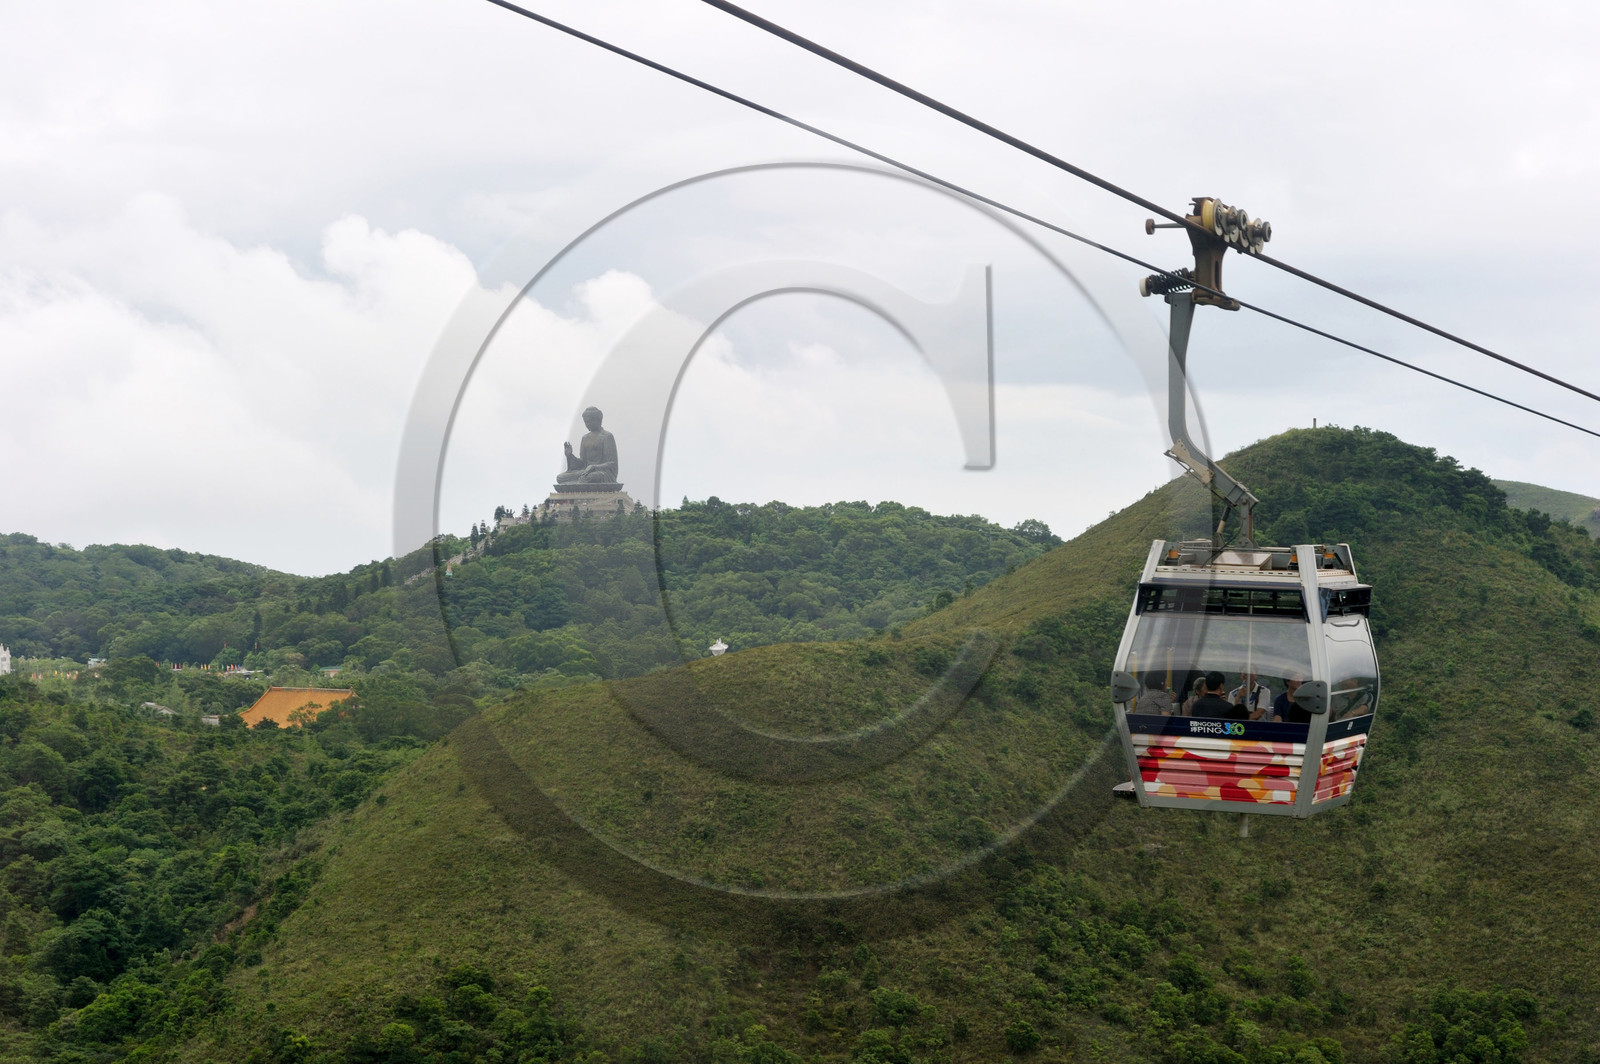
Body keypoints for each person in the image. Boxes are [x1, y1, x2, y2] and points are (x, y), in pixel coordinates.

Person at [556, 406, 620, 487]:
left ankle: (578, 485)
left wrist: (594, 467)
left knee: (589, 477)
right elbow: (583, 463)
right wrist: (570, 456)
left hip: (602, 473)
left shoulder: (607, 436)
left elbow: (612, 464)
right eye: (586, 422)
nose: (587, 424)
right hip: (585, 471)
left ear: (598, 420)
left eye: (590, 421)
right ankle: (579, 484)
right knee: (560, 478)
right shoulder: (585, 438)